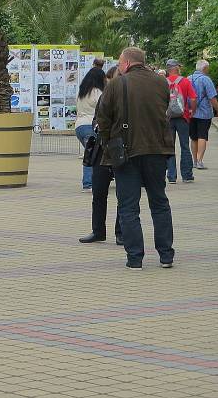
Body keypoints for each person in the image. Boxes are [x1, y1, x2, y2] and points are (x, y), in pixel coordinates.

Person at [96, 47, 175, 270]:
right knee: (159, 202)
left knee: (128, 207)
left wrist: (107, 140)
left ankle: (135, 258)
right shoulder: (161, 82)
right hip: (157, 151)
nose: (119, 67)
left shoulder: (117, 84)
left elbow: (103, 117)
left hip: (126, 152)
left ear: (127, 63)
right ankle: (166, 255)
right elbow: (165, 110)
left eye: (120, 63)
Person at [79, 65, 122, 245]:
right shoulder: (103, 95)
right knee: (99, 191)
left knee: (123, 193)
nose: (110, 82)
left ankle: (121, 232)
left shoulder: (127, 97)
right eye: (109, 79)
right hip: (103, 149)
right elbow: (98, 119)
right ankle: (98, 230)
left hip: (122, 149)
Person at [165, 59, 197, 184]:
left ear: (167, 69)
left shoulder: (163, 82)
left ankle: (172, 176)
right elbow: (193, 98)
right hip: (183, 117)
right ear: (177, 67)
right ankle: (187, 175)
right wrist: (191, 111)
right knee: (184, 146)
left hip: (168, 119)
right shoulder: (185, 81)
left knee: (169, 146)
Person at [75, 68, 105, 191]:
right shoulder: (97, 92)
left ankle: (90, 181)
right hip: (90, 126)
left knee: (89, 153)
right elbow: (103, 108)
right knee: (92, 154)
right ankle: (88, 183)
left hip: (79, 126)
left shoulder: (82, 93)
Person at [188, 59, 218, 170]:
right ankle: (200, 160)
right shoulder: (206, 80)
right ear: (205, 68)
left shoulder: (188, 78)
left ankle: (194, 161)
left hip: (191, 113)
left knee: (193, 137)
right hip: (204, 113)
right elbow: (212, 97)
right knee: (202, 136)